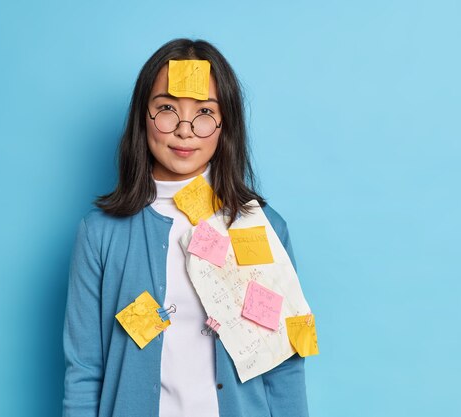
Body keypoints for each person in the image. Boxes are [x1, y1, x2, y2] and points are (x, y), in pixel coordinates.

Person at [63, 39, 309, 417]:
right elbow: (84, 370)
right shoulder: (100, 234)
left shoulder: (263, 228)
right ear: (141, 118)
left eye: (205, 113)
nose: (184, 130)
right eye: (165, 109)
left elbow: (284, 366)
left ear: (225, 124)